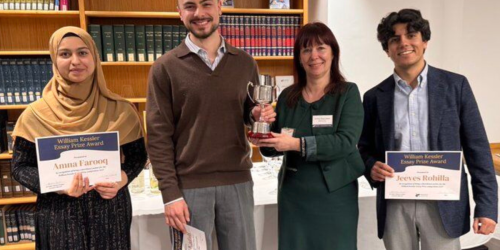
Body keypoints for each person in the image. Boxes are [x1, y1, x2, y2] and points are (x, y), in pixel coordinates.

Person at [359, 9, 498, 250]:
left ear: (424, 42)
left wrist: (486, 208)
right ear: (387, 50)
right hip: (395, 201)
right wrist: (371, 166)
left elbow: (477, 150)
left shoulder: (456, 86)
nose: (403, 43)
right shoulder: (374, 97)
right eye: (394, 39)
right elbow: (363, 148)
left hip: (443, 199)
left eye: (411, 35)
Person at [146, 0, 274, 249]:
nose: (199, 13)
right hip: (189, 188)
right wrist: (170, 194)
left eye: (206, 4)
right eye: (190, 6)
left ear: (219, 7)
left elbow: (248, 113)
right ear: (180, 12)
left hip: (238, 182)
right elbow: (158, 137)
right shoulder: (165, 68)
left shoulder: (245, 63)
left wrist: (258, 115)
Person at [11, 26, 147, 250]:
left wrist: (122, 180)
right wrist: (60, 186)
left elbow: (137, 157)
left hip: (109, 212)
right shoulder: (34, 115)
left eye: (83, 53)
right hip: (59, 214)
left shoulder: (121, 110)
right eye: (65, 54)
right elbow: (20, 167)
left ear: (94, 57)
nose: (75, 61)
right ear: (54, 60)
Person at [251, 22, 365, 250]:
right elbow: (274, 148)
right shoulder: (287, 96)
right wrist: (263, 138)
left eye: (321, 48)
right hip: (294, 196)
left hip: (336, 197)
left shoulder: (347, 93)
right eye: (306, 50)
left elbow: (345, 142)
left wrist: (296, 144)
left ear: (333, 53)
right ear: (299, 58)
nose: (314, 56)